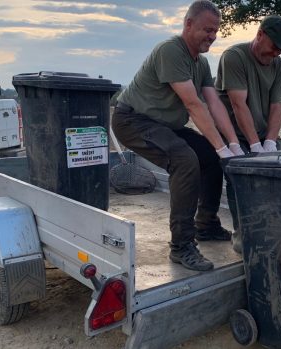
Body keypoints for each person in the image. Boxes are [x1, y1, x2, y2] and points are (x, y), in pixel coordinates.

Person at [112, 0, 244, 272]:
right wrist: (222, 148)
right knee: (184, 160)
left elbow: (214, 104)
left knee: (208, 155)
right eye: (207, 29)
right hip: (133, 120)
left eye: (215, 30)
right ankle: (181, 246)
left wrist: (231, 145)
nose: (212, 35)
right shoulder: (170, 50)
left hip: (164, 125)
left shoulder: (202, 63)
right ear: (188, 24)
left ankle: (205, 224)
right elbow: (193, 105)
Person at [214, 15, 281, 253]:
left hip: (260, 134)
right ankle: (243, 237)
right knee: (240, 178)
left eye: (280, 50)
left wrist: (269, 142)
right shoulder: (234, 57)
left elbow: (278, 106)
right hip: (233, 135)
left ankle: (273, 229)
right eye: (273, 47)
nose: (276, 53)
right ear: (259, 35)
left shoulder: (278, 65)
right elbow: (239, 105)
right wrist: (255, 147)